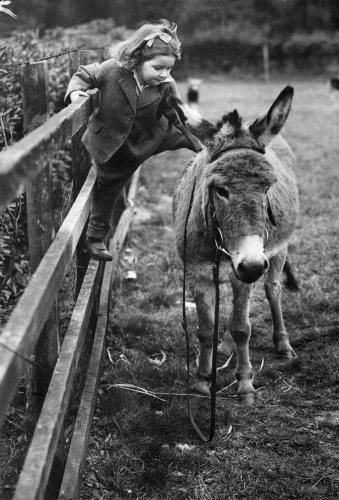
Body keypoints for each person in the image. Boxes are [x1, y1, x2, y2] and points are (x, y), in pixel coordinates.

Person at [65, 19, 201, 261]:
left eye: (169, 69)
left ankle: (214, 148)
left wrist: (197, 136)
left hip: (154, 132)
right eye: (158, 68)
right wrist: (76, 92)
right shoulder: (112, 70)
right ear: (137, 59)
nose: (165, 74)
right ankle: (95, 238)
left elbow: (178, 115)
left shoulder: (165, 86)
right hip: (115, 142)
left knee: (191, 137)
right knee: (110, 182)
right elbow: (84, 74)